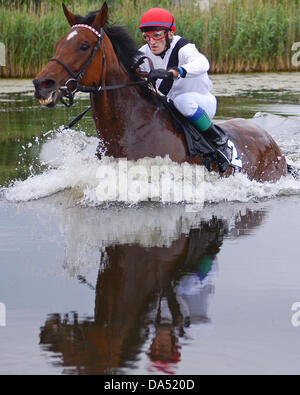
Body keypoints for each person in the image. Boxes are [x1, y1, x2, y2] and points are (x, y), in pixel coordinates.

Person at [138, 7, 232, 172]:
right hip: (168, 106)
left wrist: (177, 71)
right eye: (147, 36)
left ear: (170, 33)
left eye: (157, 35)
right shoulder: (144, 52)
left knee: (182, 101)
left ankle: (219, 140)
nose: (151, 41)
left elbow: (203, 64)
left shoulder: (184, 48)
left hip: (200, 103)